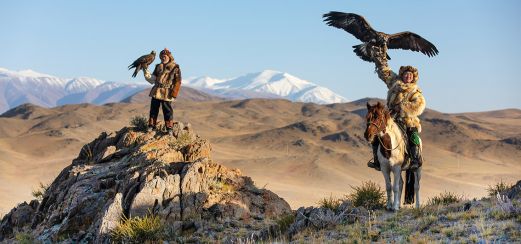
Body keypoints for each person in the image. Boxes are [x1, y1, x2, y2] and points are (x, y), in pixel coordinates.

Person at [367, 45, 426, 170]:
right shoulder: (394, 83)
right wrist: (380, 60)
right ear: (402, 75)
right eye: (406, 74)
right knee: (378, 134)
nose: (408, 76)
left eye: (410, 75)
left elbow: (419, 106)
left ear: (413, 77)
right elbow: (386, 73)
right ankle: (377, 160)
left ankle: (415, 159)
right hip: (391, 117)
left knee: (413, 136)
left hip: (408, 120)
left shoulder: (415, 91)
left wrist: (403, 108)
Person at [143, 48, 182, 136]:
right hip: (156, 90)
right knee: (153, 109)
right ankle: (151, 126)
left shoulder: (175, 67)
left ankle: (169, 128)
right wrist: (146, 74)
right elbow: (154, 78)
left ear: (169, 56)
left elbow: (178, 81)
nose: (163, 58)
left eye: (165, 56)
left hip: (167, 92)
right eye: (162, 56)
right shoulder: (158, 66)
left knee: (167, 110)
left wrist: (174, 93)